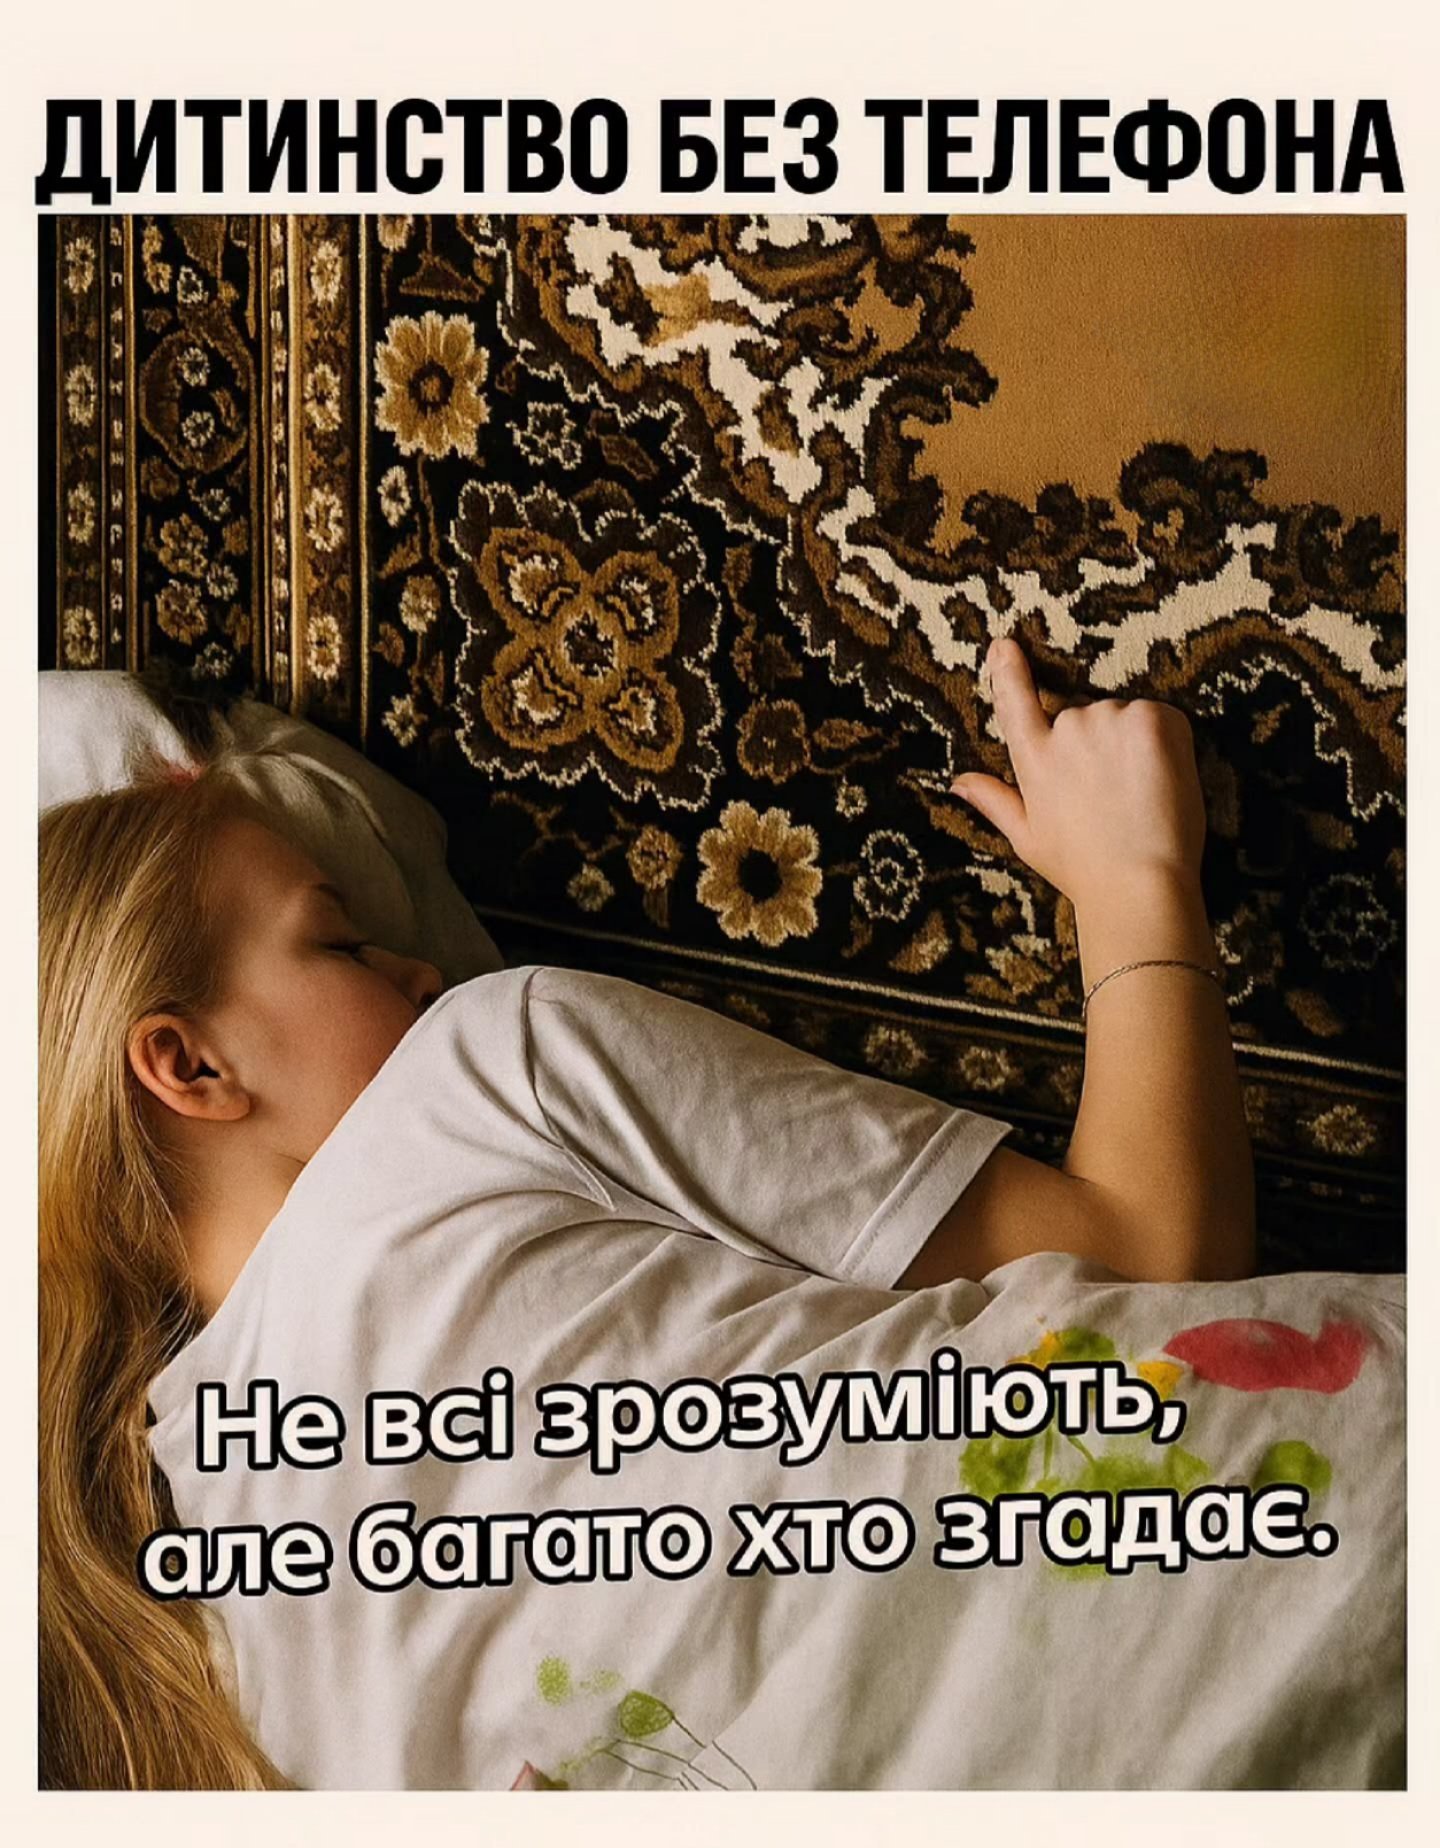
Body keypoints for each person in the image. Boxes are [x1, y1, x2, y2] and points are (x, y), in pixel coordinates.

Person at [39, 638, 1282, 1789]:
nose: (416, 968)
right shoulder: (485, 1066)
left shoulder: (223, 1667)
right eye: (341, 942)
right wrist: (1131, 876)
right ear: (190, 1066)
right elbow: (1155, 1260)